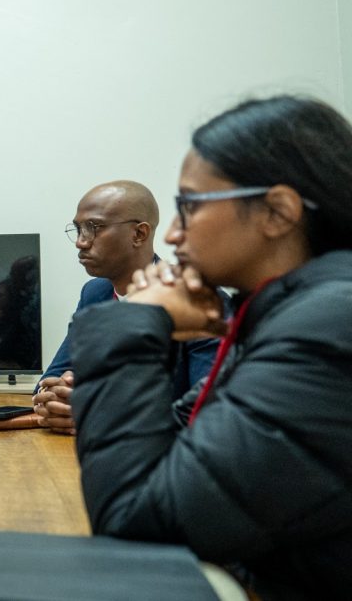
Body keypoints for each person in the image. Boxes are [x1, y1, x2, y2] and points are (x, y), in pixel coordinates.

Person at [69, 96, 352, 599]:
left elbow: (135, 520)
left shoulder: (327, 330)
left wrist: (136, 318)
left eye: (190, 206)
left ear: (277, 212)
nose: (173, 233)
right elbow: (183, 445)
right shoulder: (281, 313)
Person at [32, 181, 221, 433]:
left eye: (93, 228)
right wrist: (54, 399)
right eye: (78, 229)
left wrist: (99, 414)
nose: (80, 242)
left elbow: (207, 411)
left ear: (139, 234)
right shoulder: (94, 293)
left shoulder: (196, 300)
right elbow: (51, 378)